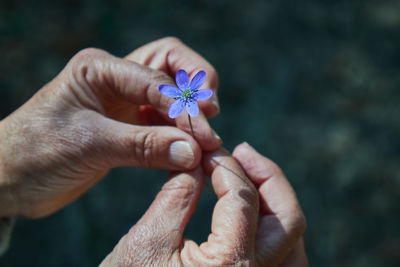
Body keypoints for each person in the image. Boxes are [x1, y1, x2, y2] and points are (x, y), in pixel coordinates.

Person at [0, 37, 307, 266]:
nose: (188, 94)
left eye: (190, 93)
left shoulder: (185, 98)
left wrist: (6, 170)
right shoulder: (182, 98)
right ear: (183, 94)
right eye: (186, 93)